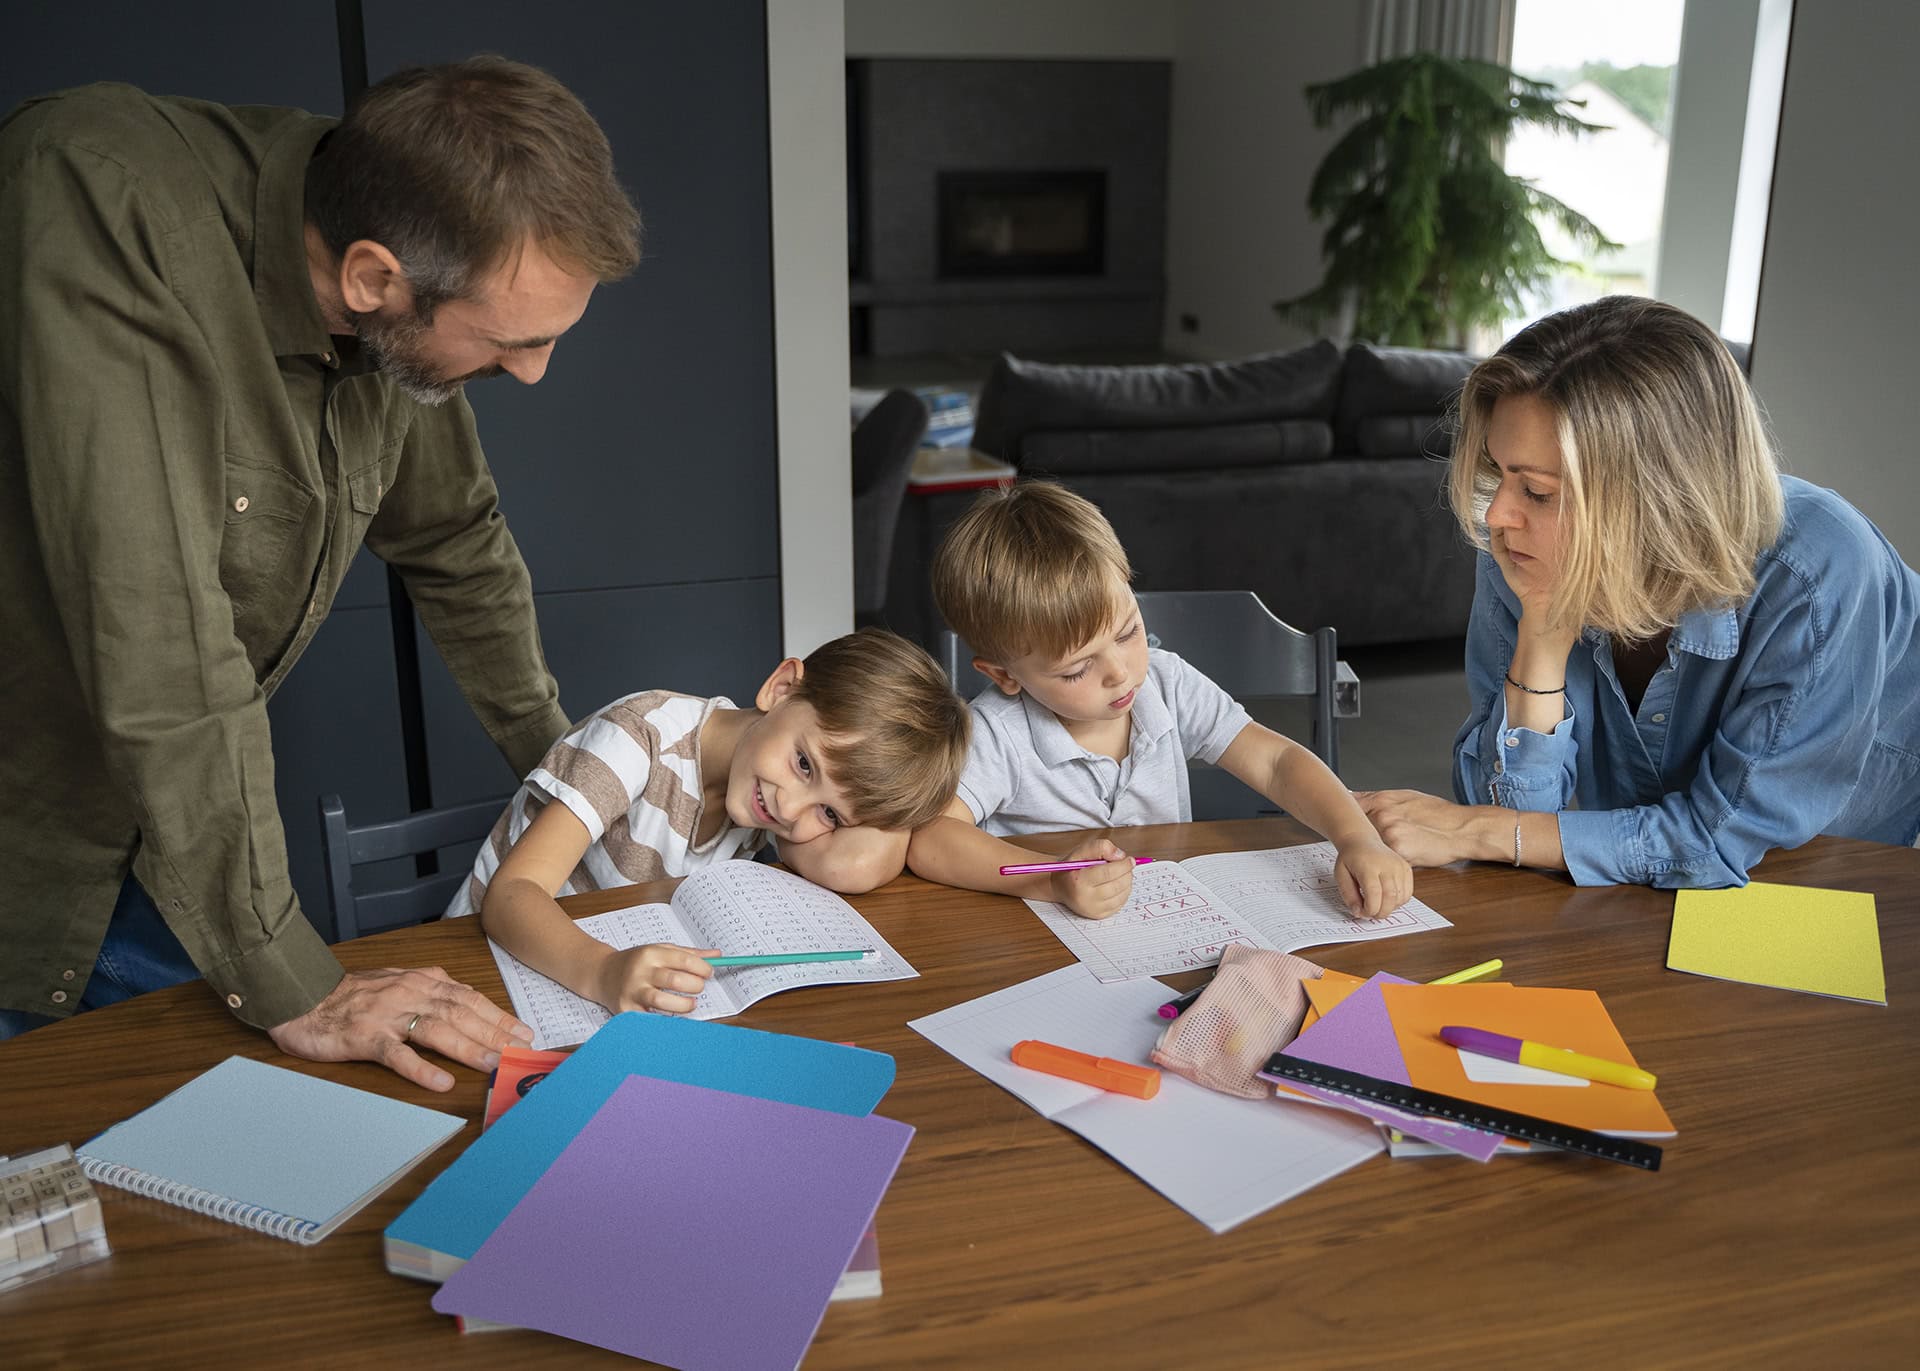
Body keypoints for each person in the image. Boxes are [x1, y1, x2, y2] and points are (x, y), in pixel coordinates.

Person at [0, 57, 644, 1088]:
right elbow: (159, 637)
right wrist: (300, 985)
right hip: (32, 842)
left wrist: (581, 788)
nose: (533, 373)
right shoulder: (100, 190)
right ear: (373, 280)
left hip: (179, 836)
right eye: (513, 341)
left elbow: (457, 543)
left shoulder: (397, 246)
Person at [1359, 296, 1920, 887]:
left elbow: (1718, 839)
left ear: (1653, 501)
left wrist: (1475, 831)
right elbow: (1509, 815)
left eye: (1539, 492)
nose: (1497, 514)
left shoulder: (1817, 574)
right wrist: (1542, 633)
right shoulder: (1522, 552)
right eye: (1501, 473)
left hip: (1840, 868)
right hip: (1647, 884)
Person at [907, 481, 1412, 920]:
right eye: (1077, 669)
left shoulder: (1167, 684)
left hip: (1166, 920)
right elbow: (931, 838)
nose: (1120, 672)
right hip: (1040, 939)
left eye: (1128, 632)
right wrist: (1050, 880)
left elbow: (1277, 762)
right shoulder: (996, 732)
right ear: (1004, 675)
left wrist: (1356, 837)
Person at [463, 629, 970, 1015]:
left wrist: (890, 802)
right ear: (782, 688)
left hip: (607, 983)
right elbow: (511, 894)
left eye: (831, 814)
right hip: (493, 969)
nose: (791, 811)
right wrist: (603, 971)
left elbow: (853, 866)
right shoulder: (640, 738)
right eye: (804, 764)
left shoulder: (764, 788)